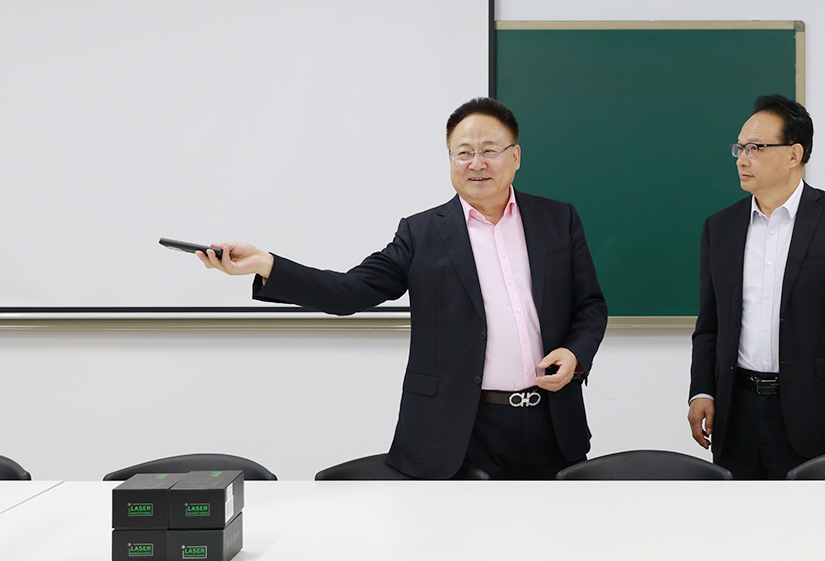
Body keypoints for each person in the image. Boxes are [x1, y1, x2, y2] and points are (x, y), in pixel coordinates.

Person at [197, 97, 608, 480]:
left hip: (552, 424)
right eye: (464, 152)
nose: (476, 163)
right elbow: (348, 291)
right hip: (459, 432)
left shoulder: (558, 220)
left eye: (489, 150)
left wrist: (576, 354)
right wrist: (267, 264)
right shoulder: (421, 233)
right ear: (450, 160)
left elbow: (590, 305)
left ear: (515, 156)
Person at [688, 94, 825, 480]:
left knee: (807, 515)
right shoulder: (720, 227)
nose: (742, 159)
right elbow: (709, 323)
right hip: (735, 411)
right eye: (739, 148)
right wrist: (702, 391)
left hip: (813, 411)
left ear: (794, 154)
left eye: (755, 148)